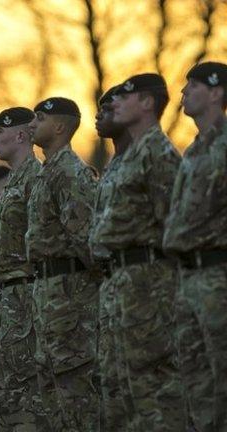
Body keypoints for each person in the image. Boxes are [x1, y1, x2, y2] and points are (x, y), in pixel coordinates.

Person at [90, 73, 185, 431]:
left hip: (149, 281)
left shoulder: (158, 153)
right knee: (119, 385)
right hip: (120, 281)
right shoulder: (125, 158)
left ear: (146, 103)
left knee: (152, 388)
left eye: (124, 97)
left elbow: (171, 225)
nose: (114, 103)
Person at [25, 97, 100, 431]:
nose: (31, 125)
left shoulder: (70, 172)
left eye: (39, 119)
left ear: (59, 127)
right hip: (47, 291)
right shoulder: (47, 172)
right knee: (51, 384)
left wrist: (84, 288)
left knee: (75, 386)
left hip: (69, 293)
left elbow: (86, 238)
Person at [164, 61, 227, 431]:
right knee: (197, 385)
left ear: (216, 92)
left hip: (219, 274)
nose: (184, 93)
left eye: (193, 86)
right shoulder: (193, 150)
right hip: (189, 278)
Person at [0, 107, 47, 430]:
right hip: (8, 296)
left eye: (0, 133)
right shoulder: (14, 182)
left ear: (22, 136)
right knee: (10, 391)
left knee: (27, 390)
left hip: (25, 293)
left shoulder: (34, 179)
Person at [90, 85, 132, 430]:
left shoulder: (150, 157)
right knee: (112, 383)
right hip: (112, 283)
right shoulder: (114, 163)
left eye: (108, 109)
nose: (98, 117)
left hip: (141, 282)